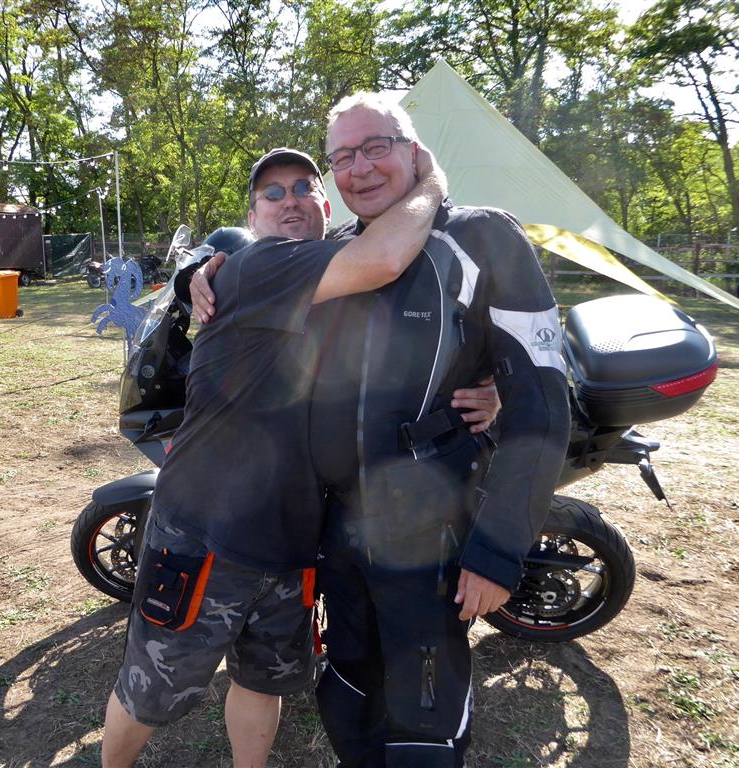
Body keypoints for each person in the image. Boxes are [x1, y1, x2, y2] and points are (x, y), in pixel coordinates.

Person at [191, 92, 570, 767]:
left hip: (434, 526)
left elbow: (543, 404)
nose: (360, 168)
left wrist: (497, 551)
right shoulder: (338, 249)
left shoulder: (484, 237)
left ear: (414, 152)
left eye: (376, 147)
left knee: (425, 700)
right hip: (339, 524)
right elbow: (254, 268)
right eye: (343, 157)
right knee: (349, 684)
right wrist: (196, 272)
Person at [101, 145, 449, 768]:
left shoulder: (331, 267)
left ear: (326, 206)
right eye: (272, 193)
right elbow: (387, 254)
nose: (289, 201)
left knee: (265, 680)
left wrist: (487, 387)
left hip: (290, 540)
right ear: (253, 218)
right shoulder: (262, 264)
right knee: (152, 688)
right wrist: (433, 181)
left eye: (303, 188)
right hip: (205, 533)